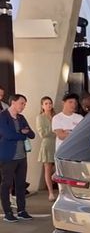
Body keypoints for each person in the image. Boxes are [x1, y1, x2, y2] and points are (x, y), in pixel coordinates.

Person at [0, 93, 35, 222]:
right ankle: (8, 212)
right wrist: (22, 133)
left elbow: (32, 134)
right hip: (8, 156)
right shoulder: (3, 116)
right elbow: (8, 135)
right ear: (13, 102)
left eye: (25, 104)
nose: (23, 106)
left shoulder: (21, 118)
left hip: (22, 157)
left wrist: (24, 132)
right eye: (22, 103)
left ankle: (21, 210)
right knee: (6, 184)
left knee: (20, 185)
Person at [36, 96, 56, 200]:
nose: (49, 105)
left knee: (59, 168)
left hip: (57, 143)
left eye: (50, 103)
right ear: (42, 106)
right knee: (47, 169)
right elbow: (42, 134)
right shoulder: (40, 117)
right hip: (47, 144)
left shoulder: (56, 116)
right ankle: (51, 192)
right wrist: (54, 129)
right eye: (46, 103)